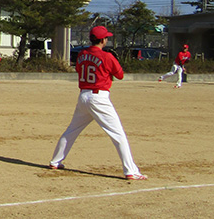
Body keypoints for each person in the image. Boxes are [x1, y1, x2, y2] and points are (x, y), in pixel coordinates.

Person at [49, 26, 147, 180]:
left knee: (72, 130)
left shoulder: (82, 54)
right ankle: (131, 171)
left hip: (83, 96)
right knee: (118, 134)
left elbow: (80, 70)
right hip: (99, 98)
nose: (106, 39)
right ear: (102, 40)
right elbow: (120, 75)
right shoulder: (106, 56)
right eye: (106, 37)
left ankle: (56, 161)